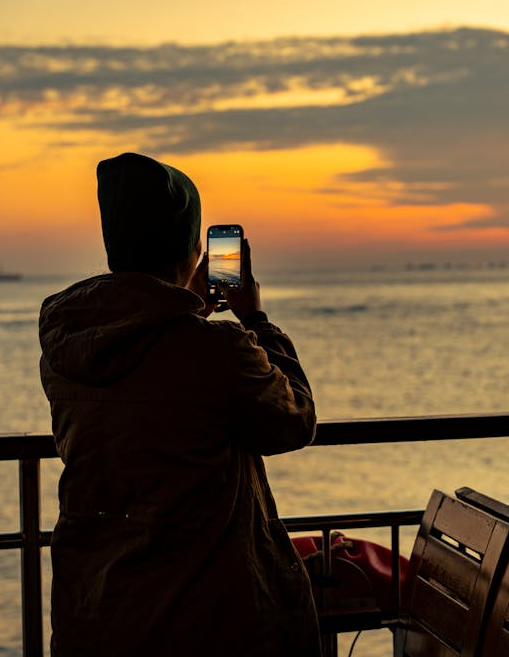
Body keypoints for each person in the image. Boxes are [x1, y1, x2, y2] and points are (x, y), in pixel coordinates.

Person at [39, 152, 321, 656]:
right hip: (203, 615)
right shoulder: (213, 349)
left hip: (99, 607)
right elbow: (295, 419)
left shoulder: (67, 341)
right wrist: (254, 319)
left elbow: (148, 366)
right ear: (192, 251)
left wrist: (182, 305)